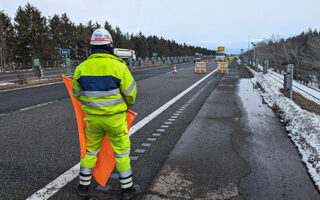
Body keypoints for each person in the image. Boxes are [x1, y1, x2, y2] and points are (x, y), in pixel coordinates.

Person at [72, 28, 140, 199]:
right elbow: (131, 94)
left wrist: (93, 105)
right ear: (110, 46)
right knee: (121, 153)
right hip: (116, 119)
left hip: (93, 120)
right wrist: (126, 105)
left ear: (92, 47)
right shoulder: (119, 67)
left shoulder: (82, 68)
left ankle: (83, 187)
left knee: (90, 153)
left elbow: (76, 94)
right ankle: (127, 189)